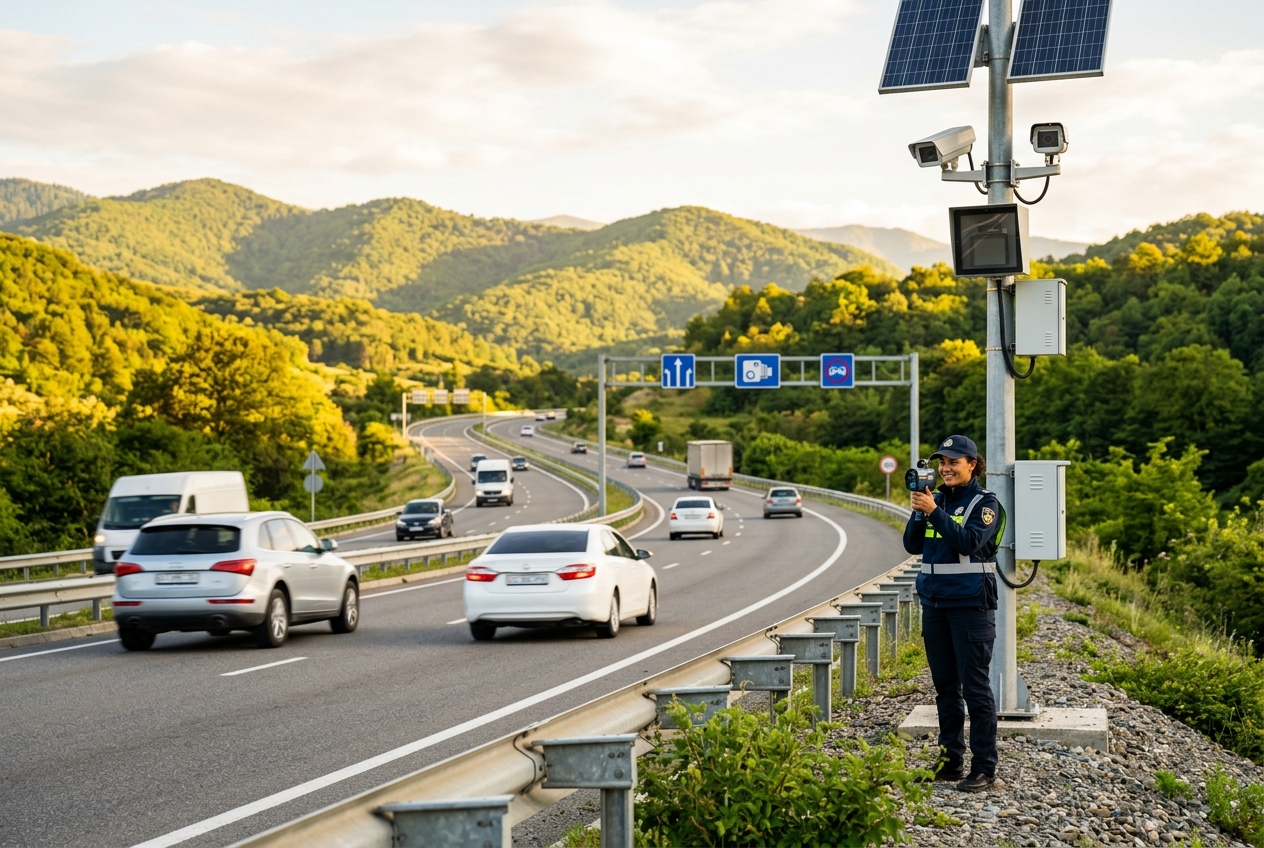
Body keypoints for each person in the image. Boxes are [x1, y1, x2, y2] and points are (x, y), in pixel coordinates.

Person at [903, 434, 1002, 793]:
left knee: (975, 689)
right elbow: (912, 546)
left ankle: (984, 767)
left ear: (972, 464)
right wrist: (920, 513)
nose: (945, 468)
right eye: (942, 462)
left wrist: (934, 512)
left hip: (970, 607)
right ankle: (950, 761)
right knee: (945, 688)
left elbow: (968, 542)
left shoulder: (985, 503)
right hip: (935, 605)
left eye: (953, 462)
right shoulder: (936, 500)